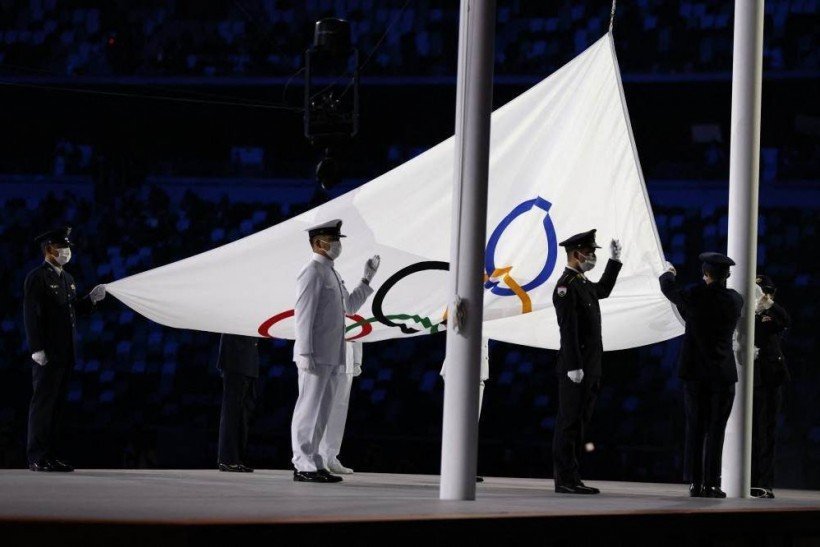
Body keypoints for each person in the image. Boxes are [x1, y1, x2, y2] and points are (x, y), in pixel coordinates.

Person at [291, 219, 379, 483]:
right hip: (315, 354)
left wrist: (367, 279)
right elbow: (303, 315)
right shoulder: (312, 272)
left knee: (322, 411)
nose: (337, 244)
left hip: (331, 353)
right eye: (333, 239)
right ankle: (303, 464)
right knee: (308, 409)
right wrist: (304, 353)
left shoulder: (331, 272)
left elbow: (350, 307)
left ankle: (315, 462)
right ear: (318, 243)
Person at [659, 252, 743, 498]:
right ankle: (712, 483)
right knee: (717, 430)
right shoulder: (735, 300)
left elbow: (670, 291)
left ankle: (695, 482)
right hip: (722, 373)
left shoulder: (694, 295)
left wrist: (667, 273)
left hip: (695, 372)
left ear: (705, 274)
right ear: (727, 275)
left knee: (696, 428)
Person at [23, 226, 106, 472]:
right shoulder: (37, 277)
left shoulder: (68, 279)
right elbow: (30, 314)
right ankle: (37, 455)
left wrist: (90, 299)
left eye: (67, 247)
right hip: (46, 353)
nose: (66, 252)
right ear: (49, 249)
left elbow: (72, 311)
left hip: (66, 352)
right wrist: (36, 347)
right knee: (43, 404)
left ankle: (51, 455)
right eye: (62, 247)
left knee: (58, 406)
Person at [552, 229, 622, 494]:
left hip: (590, 365)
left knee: (580, 423)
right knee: (569, 423)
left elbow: (602, 290)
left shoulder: (580, 282)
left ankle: (573, 476)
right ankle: (565, 480)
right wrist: (573, 365)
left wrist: (614, 261)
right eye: (590, 252)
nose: (592, 256)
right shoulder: (566, 286)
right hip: (576, 366)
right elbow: (567, 329)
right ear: (576, 253)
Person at [751, 274, 791, 499]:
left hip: (769, 379)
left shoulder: (771, 312)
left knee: (766, 432)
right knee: (746, 432)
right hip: (747, 377)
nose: (762, 296)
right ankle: (744, 479)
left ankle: (763, 483)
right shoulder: (744, 311)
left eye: (766, 292)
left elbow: (786, 320)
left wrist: (768, 305)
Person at [216, 333, 260, 473]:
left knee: (242, 412)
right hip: (235, 357)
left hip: (248, 359)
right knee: (232, 411)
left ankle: (236, 459)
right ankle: (228, 459)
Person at [317, 340, 362, 475]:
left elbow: (359, 327)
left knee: (339, 412)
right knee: (322, 410)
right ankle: (319, 456)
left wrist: (357, 360)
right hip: (325, 358)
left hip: (347, 359)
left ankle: (331, 456)